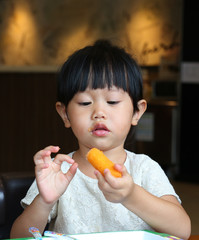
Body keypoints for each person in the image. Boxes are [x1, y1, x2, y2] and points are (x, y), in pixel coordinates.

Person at [10, 40, 191, 239]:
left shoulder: (145, 169)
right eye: (85, 102)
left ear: (137, 112)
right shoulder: (58, 173)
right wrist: (44, 202)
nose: (99, 113)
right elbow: (18, 237)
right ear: (64, 114)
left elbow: (182, 230)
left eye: (112, 101)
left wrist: (131, 195)